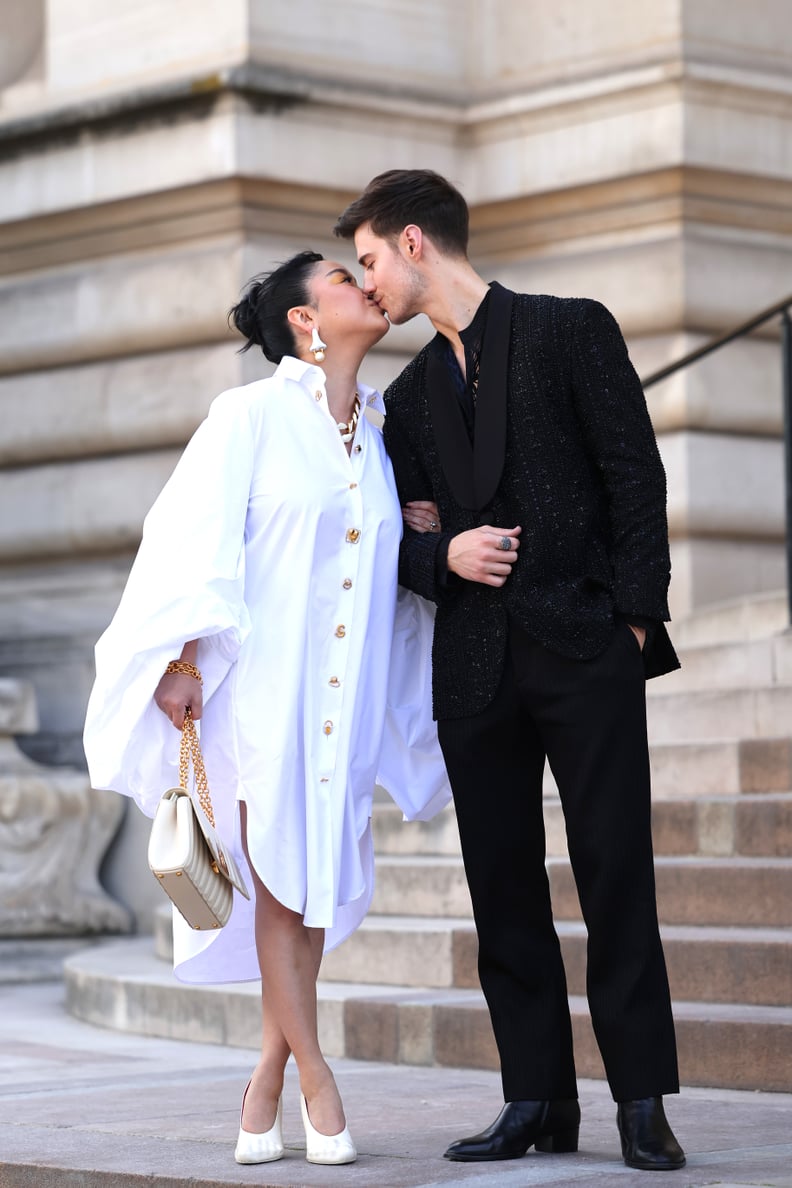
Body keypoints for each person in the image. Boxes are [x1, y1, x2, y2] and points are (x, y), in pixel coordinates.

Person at [334, 171, 686, 1172]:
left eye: (368, 261)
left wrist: (633, 619)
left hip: (585, 653)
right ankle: (534, 1100)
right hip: (475, 673)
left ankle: (641, 1104)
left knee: (618, 873)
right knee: (502, 890)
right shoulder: (403, 402)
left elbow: (635, 477)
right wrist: (437, 555)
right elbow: (376, 539)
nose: (368, 285)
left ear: (413, 242)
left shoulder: (573, 329)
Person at [83, 250, 450, 1168]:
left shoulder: (378, 428)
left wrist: (425, 532)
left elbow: (373, 560)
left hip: (344, 692)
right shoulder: (245, 417)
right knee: (282, 887)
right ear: (304, 320)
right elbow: (187, 540)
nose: (361, 279)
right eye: (339, 273)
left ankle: (263, 1081)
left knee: (311, 883)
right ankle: (318, 1079)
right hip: (259, 691)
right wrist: (175, 657)